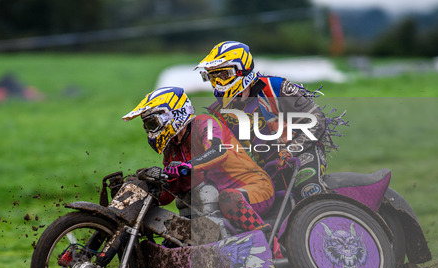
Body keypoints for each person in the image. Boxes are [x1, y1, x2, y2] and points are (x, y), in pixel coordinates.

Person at [195, 41, 343, 201]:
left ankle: (334, 216)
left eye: (223, 76)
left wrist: (289, 151)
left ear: (241, 70)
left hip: (301, 156)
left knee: (310, 191)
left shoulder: (275, 87)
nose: (218, 84)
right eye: (212, 77)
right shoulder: (217, 112)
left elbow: (317, 121)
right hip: (262, 171)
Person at [122, 86, 274, 233]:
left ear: (173, 113)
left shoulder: (204, 122)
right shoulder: (173, 147)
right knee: (179, 225)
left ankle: (272, 247)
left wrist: (187, 166)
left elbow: (217, 151)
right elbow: (174, 189)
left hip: (255, 187)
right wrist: (150, 188)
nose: (150, 131)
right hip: (215, 197)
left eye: (152, 123)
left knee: (229, 198)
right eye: (147, 126)